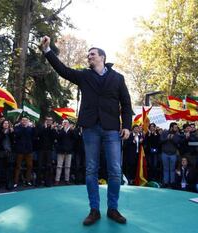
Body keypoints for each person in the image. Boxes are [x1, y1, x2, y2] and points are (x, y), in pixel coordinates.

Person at [41, 36, 132, 225]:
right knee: (91, 170)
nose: (89, 57)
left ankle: (113, 209)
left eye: (92, 54)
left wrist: (127, 126)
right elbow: (63, 70)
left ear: (102, 57)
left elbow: (126, 102)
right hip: (90, 128)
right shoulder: (84, 75)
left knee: (115, 170)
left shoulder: (117, 78)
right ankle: (94, 210)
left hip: (112, 128)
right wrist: (47, 50)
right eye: (88, 55)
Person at [13, 116, 35, 188]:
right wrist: (24, 127)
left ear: (28, 121)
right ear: (21, 121)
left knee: (29, 166)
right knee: (18, 166)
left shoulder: (30, 128)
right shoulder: (17, 127)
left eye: (26, 120)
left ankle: (28, 180)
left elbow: (33, 136)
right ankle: (16, 182)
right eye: (23, 120)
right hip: (20, 150)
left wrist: (31, 127)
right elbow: (17, 134)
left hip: (29, 150)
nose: (24, 121)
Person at [54, 119, 75, 185]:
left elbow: (75, 138)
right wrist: (63, 129)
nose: (65, 124)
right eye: (64, 123)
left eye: (66, 123)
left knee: (68, 167)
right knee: (59, 166)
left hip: (69, 151)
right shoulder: (60, 130)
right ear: (62, 124)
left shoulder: (71, 131)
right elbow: (57, 138)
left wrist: (71, 130)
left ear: (68, 124)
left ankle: (67, 180)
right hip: (61, 151)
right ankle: (57, 180)